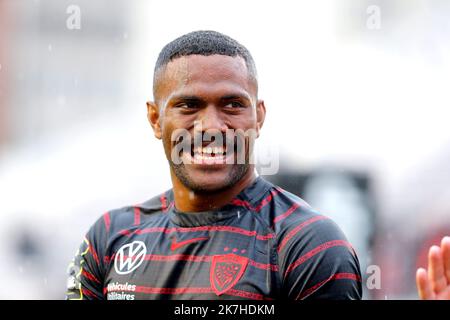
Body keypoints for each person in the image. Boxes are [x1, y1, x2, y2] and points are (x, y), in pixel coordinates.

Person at [66, 30, 362, 300]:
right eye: (189, 105)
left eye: (232, 104)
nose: (211, 127)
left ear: (258, 117)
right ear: (156, 119)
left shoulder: (308, 245)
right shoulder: (108, 238)